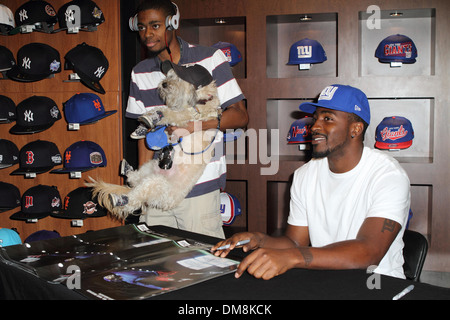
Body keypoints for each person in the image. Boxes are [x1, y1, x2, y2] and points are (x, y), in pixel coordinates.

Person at [212, 84, 411, 279]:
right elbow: (295, 243)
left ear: (356, 129)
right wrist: (259, 239)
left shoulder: (388, 176)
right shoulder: (305, 174)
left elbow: (369, 252)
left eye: (328, 119)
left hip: (377, 284)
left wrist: (294, 257)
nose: (314, 126)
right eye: (316, 119)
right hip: (326, 279)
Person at [125, 0, 248, 238]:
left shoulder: (211, 58)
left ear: (173, 23)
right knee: (157, 268)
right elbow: (142, 134)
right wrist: (141, 183)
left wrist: (194, 127)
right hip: (157, 188)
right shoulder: (139, 72)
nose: (147, 34)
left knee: (204, 267)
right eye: (141, 27)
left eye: (155, 25)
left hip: (198, 189)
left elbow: (241, 116)